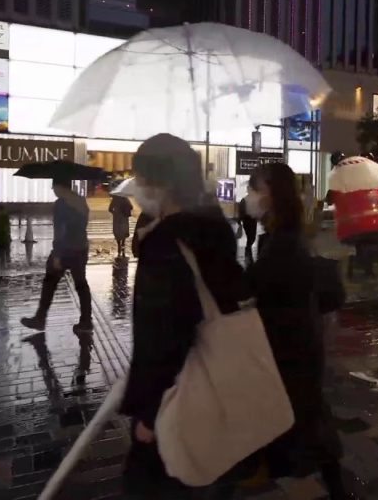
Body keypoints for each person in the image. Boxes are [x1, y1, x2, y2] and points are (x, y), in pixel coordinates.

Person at [120, 134, 247, 498]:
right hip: (218, 382)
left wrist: (148, 414)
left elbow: (161, 336)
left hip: (175, 399)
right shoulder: (216, 228)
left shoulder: (165, 244)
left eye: (141, 178)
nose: (138, 187)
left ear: (162, 182)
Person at [245, 163, 348, 499]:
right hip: (294, 342)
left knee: (307, 416)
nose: (251, 196)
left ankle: (327, 483)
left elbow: (251, 285)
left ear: (273, 193)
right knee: (306, 413)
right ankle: (278, 466)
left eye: (255, 189)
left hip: (292, 346)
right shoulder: (282, 234)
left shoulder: (284, 241)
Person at [21, 177, 93, 333]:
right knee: (81, 285)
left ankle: (40, 319)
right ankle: (86, 322)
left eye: (54, 187)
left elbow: (60, 230)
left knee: (49, 282)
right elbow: (82, 224)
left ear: (61, 187)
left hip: (66, 250)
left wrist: (58, 255)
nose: (53, 190)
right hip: (81, 248)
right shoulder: (80, 201)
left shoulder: (61, 204)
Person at [237, 195, 258, 261]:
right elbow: (240, 211)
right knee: (251, 237)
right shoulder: (245, 200)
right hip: (247, 220)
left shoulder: (250, 200)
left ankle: (248, 251)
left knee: (252, 237)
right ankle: (248, 252)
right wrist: (239, 220)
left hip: (252, 220)